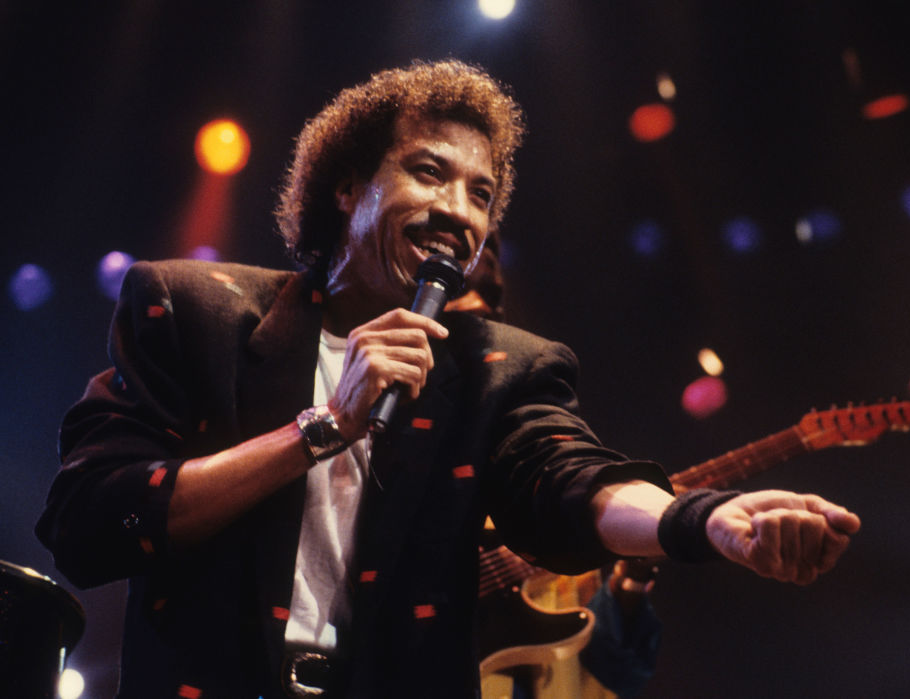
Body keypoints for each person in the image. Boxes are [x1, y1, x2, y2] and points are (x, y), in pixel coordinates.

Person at [36, 60, 861, 698]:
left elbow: (569, 477)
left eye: (482, 194)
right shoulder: (192, 310)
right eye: (429, 173)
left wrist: (700, 520)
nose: (460, 212)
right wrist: (322, 427)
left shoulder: (497, 365)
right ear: (350, 187)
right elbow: (89, 517)